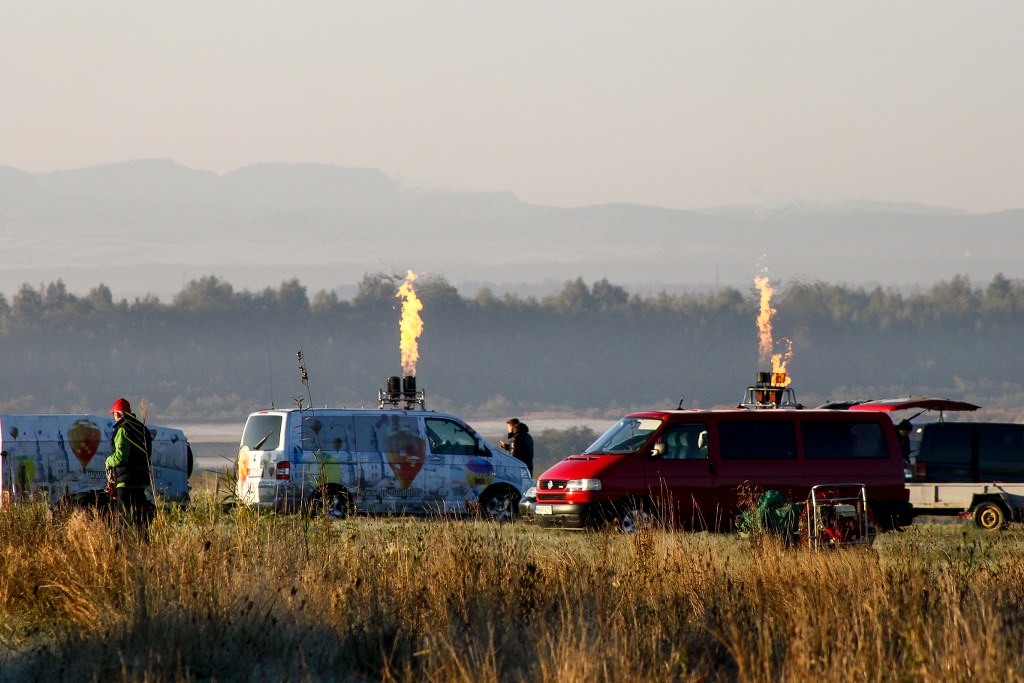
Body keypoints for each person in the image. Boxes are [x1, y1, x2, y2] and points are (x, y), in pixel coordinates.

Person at [104, 397, 154, 527]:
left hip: (125, 483)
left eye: (114, 414)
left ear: (118, 413)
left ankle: (123, 544)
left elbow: (121, 456)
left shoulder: (122, 430)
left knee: (123, 520)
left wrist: (108, 461)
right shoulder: (143, 429)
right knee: (140, 521)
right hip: (141, 481)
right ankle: (143, 543)